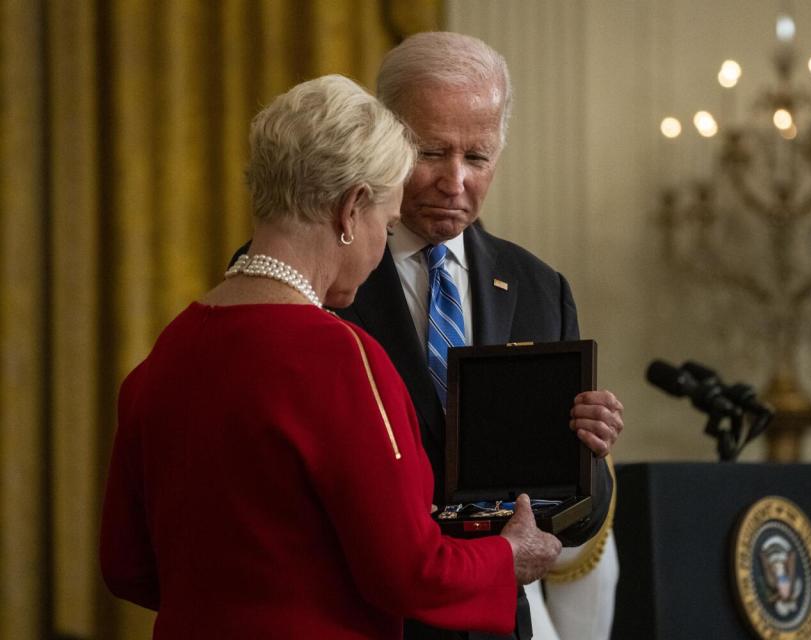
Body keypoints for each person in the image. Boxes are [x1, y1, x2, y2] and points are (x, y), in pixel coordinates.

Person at [100, 74, 562, 639]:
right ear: (350, 211)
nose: (378, 253)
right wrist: (507, 557)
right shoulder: (343, 359)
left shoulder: (167, 351)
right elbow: (410, 573)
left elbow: (126, 567)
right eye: (386, 226)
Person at [334, 32, 625, 640]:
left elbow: (569, 523)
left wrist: (585, 455)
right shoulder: (328, 272)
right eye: (432, 152)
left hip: (495, 622)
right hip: (366, 616)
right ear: (384, 140)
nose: (455, 180)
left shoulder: (539, 288)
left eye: (478, 157)